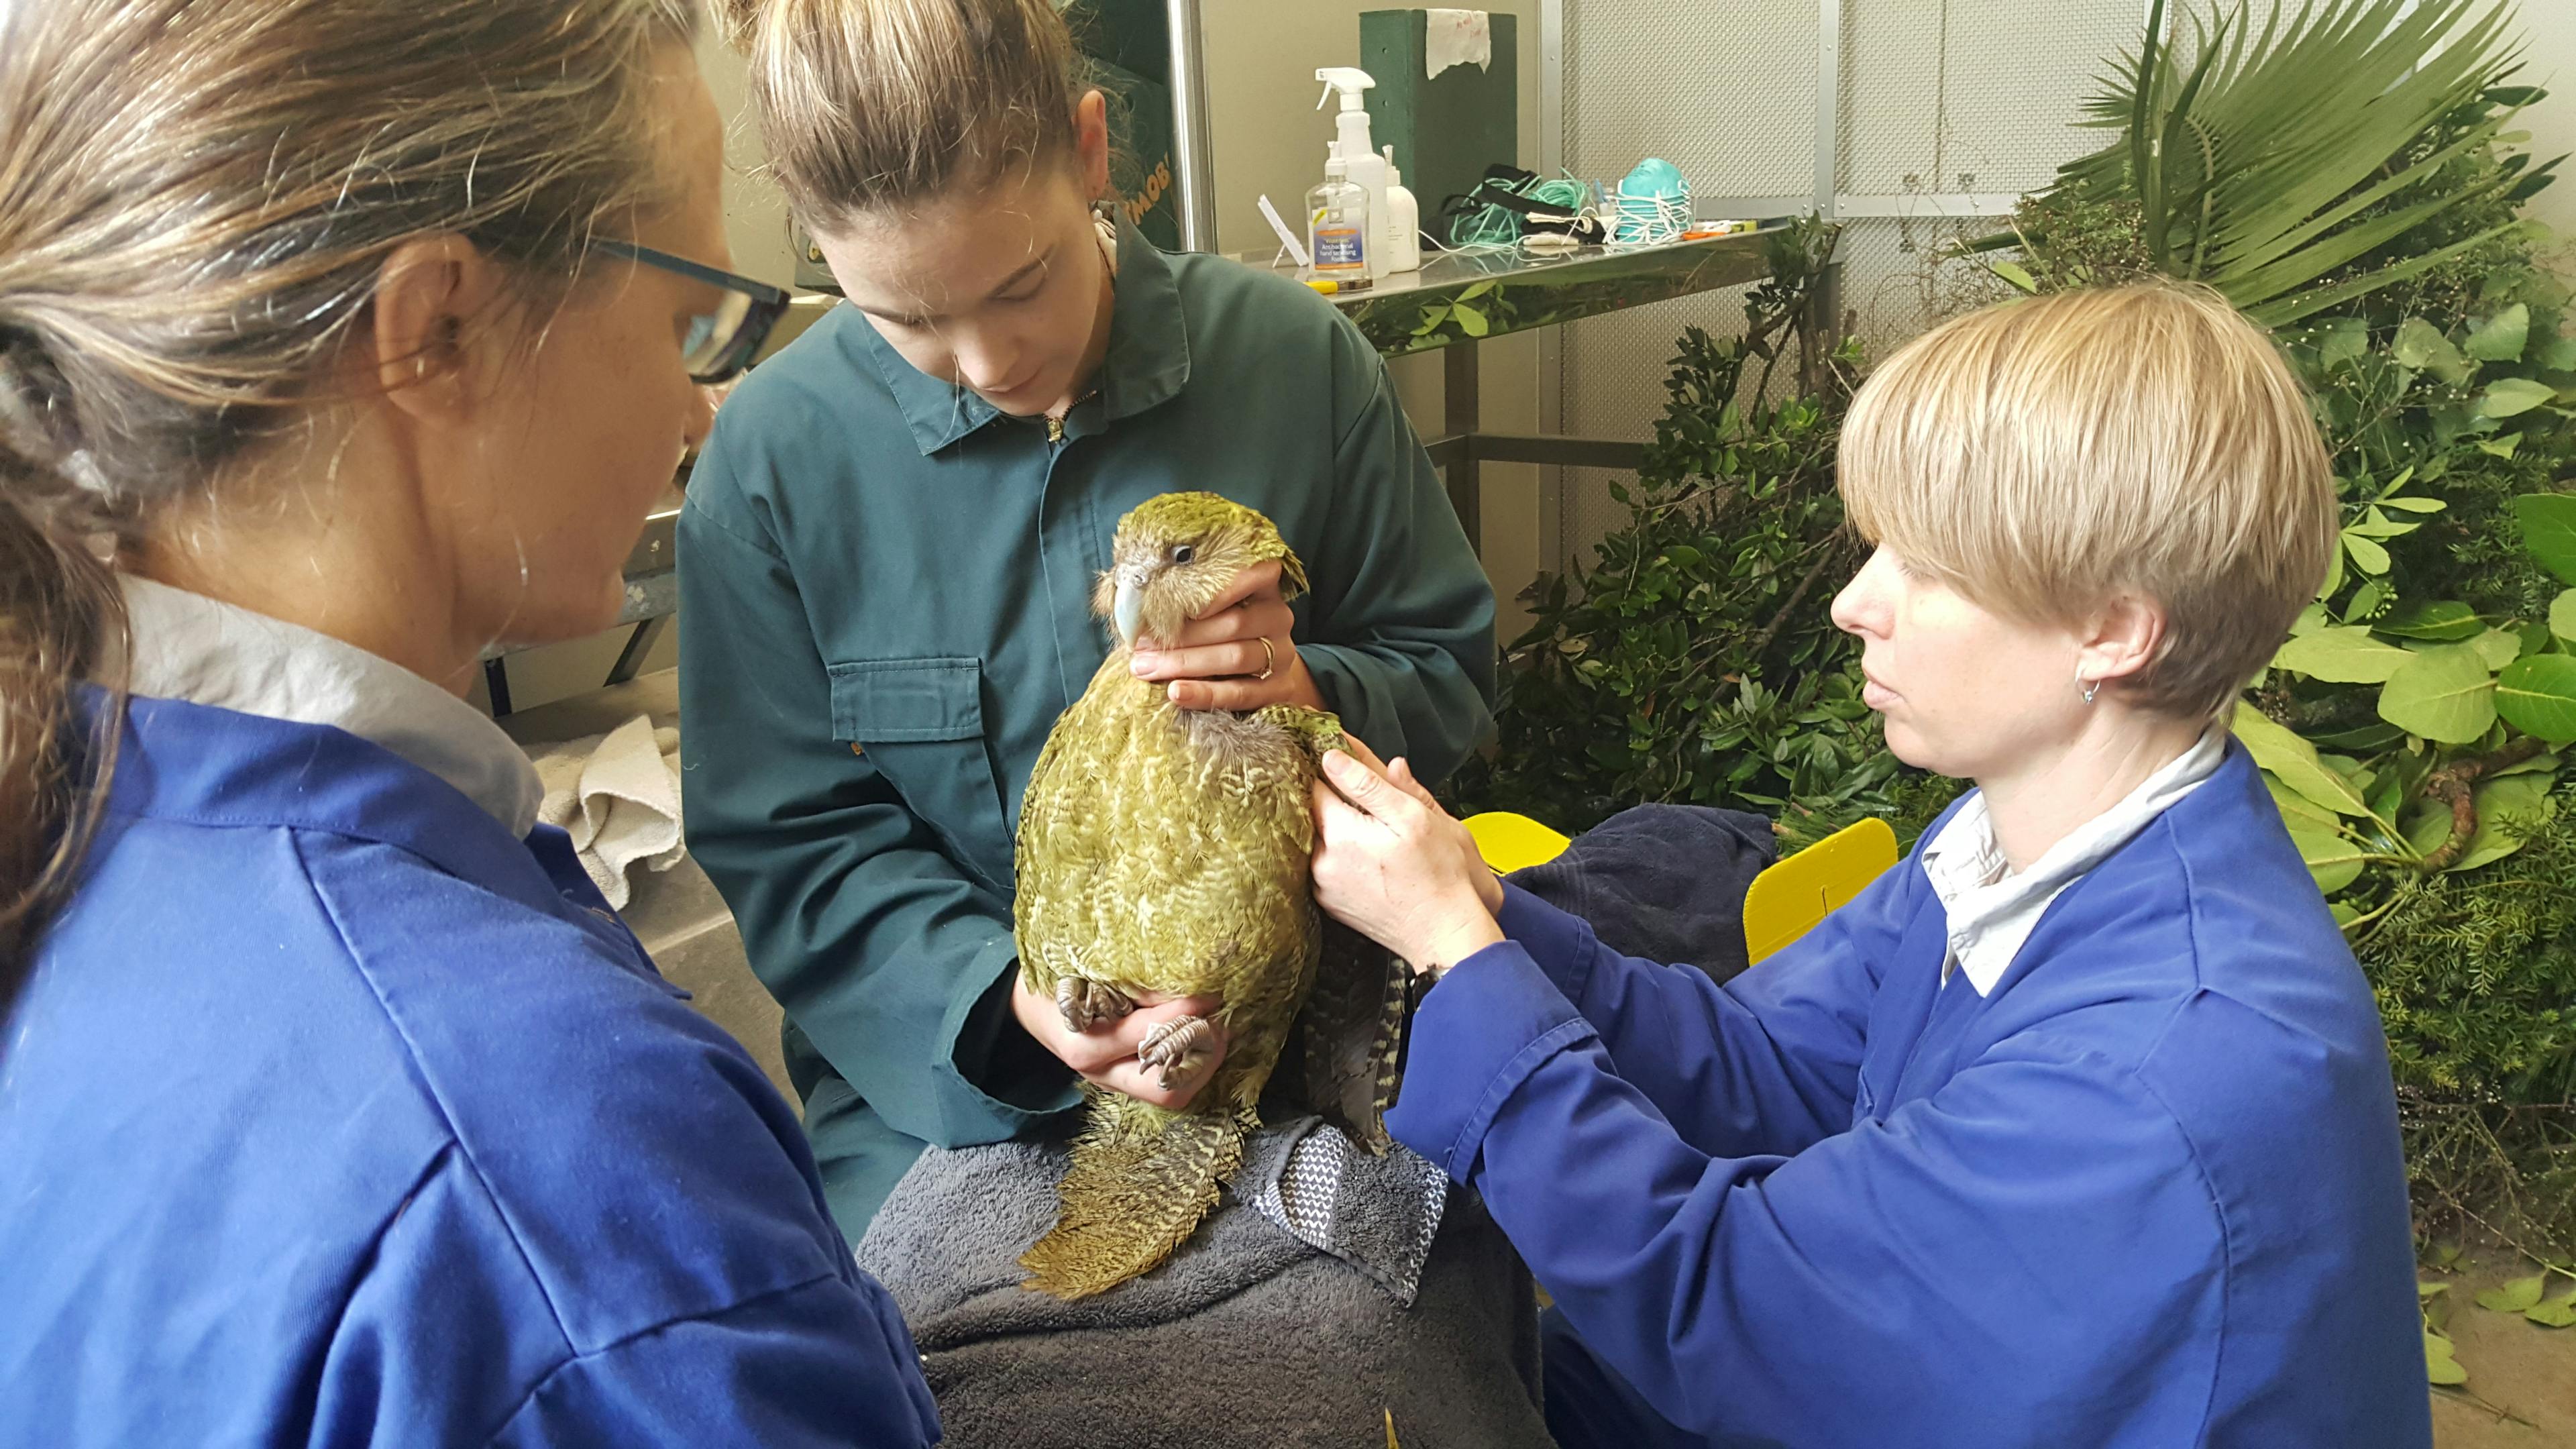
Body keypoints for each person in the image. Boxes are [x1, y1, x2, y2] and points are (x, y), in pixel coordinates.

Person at [0, 2, 937, 1443]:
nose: (697, 412)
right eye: (686, 324)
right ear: (438, 329)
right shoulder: (555, 1182)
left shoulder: (64, 813)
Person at [1311, 285, 2430, 1447]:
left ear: (2113, 630)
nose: (1854, 602)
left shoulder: (2167, 1069)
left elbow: (1741, 1314)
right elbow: (1770, 1073)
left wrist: (1459, 957)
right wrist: (1487, 907)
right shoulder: (2000, 850)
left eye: (1930, 568)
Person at [682, 0, 1495, 1242]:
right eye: (906, 322)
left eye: (1021, 284)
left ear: (1092, 151)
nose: (987, 361)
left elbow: (1446, 669)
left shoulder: (1295, 361)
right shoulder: (773, 460)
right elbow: (791, 846)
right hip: (943, 1092)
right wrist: (1005, 1008)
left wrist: (1311, 693)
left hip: (1297, 1046)